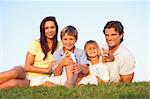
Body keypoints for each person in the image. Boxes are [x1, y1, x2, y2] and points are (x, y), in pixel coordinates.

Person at [0, 16, 61, 89]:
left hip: (35, 80)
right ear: (43, 31)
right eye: (46, 28)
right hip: (24, 71)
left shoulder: (61, 46)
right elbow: (27, 66)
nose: (50, 30)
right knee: (13, 73)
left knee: (12, 83)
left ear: (56, 29)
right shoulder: (36, 43)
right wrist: (46, 70)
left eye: (52, 27)